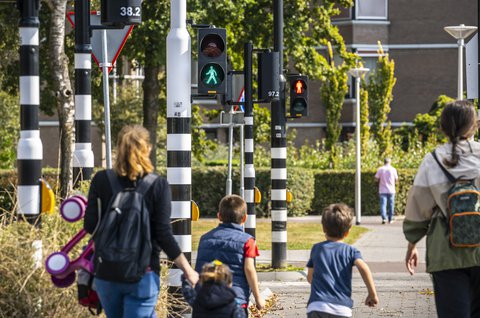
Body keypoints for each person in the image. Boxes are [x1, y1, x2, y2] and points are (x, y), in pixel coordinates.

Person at [83, 125, 199, 318]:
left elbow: (90, 225)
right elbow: (163, 234)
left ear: (118, 147)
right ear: (148, 149)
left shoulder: (102, 179)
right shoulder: (157, 185)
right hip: (142, 274)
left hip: (107, 272)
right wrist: (187, 269)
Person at [403, 100, 480, 318]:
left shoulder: (432, 161)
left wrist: (412, 243)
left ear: (443, 127)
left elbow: (418, 207)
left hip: (445, 253)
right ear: (474, 125)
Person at [195, 194, 265, 315]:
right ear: (244, 219)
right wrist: (258, 298)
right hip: (234, 301)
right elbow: (249, 269)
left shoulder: (204, 239)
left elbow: (199, 269)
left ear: (219, 216)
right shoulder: (248, 241)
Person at [307, 203, 378, 318]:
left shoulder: (317, 249)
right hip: (341, 308)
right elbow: (363, 267)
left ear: (324, 228)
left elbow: (310, 277)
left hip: (317, 306)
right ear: (347, 232)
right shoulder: (351, 251)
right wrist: (372, 293)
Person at [182, 260, 247, 318]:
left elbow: (188, 292)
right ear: (229, 283)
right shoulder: (234, 305)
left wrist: (186, 278)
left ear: (203, 281)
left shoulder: (198, 300)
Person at [375, 157, 398, 224]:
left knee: (383, 205)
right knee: (391, 204)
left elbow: (376, 178)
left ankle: (384, 218)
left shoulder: (380, 169)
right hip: (391, 190)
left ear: (384, 162)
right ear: (390, 162)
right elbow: (396, 179)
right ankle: (390, 219)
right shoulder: (393, 169)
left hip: (382, 189)